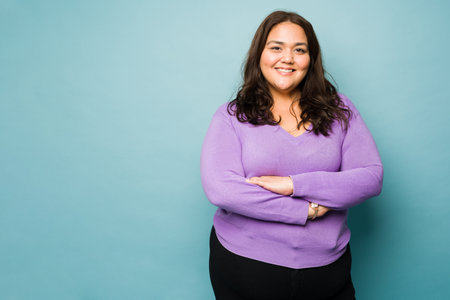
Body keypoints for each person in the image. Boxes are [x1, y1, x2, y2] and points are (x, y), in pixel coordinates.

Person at [200, 10, 383, 300]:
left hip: (328, 270)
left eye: (300, 50)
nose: (288, 58)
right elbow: (222, 190)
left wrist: (293, 184)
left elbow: (370, 177)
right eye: (276, 48)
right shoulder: (231, 116)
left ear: (311, 60)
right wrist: (304, 210)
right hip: (245, 266)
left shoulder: (340, 110)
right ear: (259, 54)